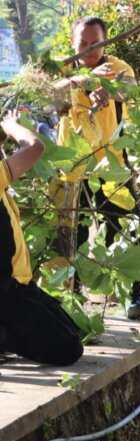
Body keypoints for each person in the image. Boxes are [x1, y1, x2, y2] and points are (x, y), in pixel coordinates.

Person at [56, 16, 140, 320]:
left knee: (127, 225)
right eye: (83, 43)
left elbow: (127, 89)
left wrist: (107, 87)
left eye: (96, 43)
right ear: (73, 43)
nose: (89, 49)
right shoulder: (62, 67)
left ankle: (132, 293)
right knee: (69, 234)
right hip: (71, 165)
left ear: (106, 43)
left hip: (110, 163)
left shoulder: (117, 66)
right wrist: (82, 81)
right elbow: (48, 96)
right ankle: (70, 299)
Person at [0, 110, 83, 365]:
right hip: (8, 290)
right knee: (68, 348)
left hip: (19, 285)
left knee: (70, 327)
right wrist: (11, 125)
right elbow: (35, 147)